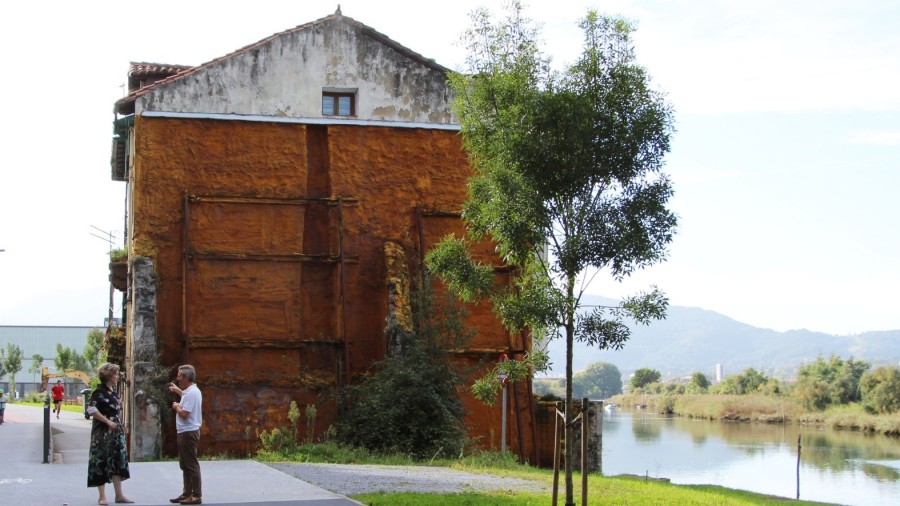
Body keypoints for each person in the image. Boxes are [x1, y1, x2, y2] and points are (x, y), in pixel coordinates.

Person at [86, 363, 133, 505]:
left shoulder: (112, 392)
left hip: (116, 432)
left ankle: (119, 495)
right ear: (109, 375)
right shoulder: (98, 392)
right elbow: (90, 410)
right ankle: (102, 497)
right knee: (101, 461)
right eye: (116, 374)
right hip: (102, 434)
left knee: (117, 461)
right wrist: (107, 421)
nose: (118, 376)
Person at [168, 364, 203, 505]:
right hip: (185, 432)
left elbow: (184, 414)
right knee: (185, 464)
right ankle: (187, 493)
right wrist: (178, 391)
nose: (177, 378)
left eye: (179, 376)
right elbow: (186, 397)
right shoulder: (190, 391)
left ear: (187, 378)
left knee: (191, 465)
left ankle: (196, 495)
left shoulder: (192, 392)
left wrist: (176, 406)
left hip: (188, 433)